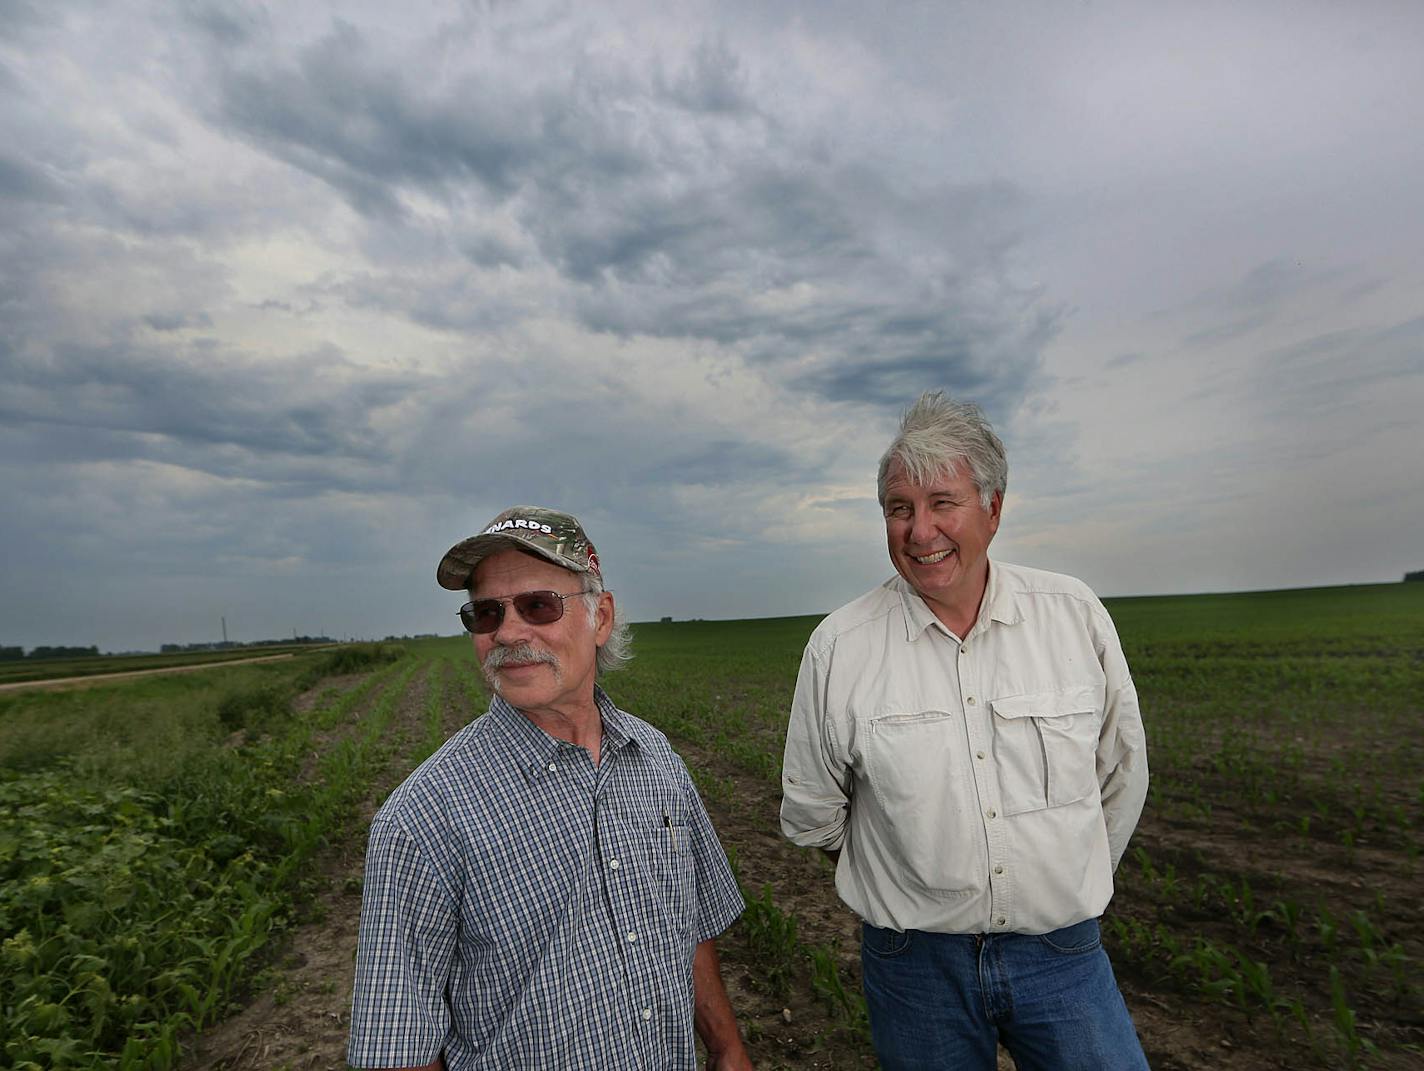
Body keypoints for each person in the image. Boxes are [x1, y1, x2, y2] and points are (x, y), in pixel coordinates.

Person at [779, 392, 1150, 1071]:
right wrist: (911, 884)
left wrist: (1062, 876)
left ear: (994, 509)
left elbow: (1120, 773)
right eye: (899, 508)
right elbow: (815, 814)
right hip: (915, 964)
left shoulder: (1073, 616)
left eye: (942, 502)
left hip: (1062, 953)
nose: (920, 531)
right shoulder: (840, 646)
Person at [349, 506, 752, 1070]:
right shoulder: (422, 820)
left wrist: (727, 1048)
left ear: (601, 618)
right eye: (486, 613)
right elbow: (401, 1048)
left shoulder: (655, 759)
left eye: (538, 605)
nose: (509, 632)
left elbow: (690, 923)